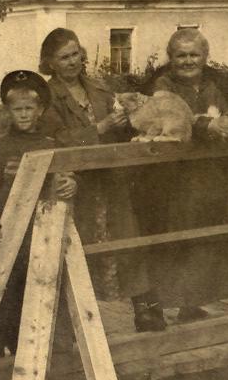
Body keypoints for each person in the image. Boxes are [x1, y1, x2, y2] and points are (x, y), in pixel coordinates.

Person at [133, 28, 228, 329]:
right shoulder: (160, 83)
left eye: (194, 54)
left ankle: (191, 303)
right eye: (180, 55)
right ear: (170, 57)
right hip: (170, 180)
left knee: (205, 239)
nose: (187, 61)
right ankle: (155, 308)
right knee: (171, 240)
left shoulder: (218, 81)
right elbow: (160, 121)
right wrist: (207, 125)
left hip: (210, 176)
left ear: (205, 56)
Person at [38, 28, 149, 318]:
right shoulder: (47, 97)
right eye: (64, 57)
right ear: (50, 63)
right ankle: (80, 318)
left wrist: (128, 118)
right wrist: (99, 128)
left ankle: (144, 311)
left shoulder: (99, 89)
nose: (72, 61)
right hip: (77, 184)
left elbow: (122, 132)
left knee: (126, 239)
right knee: (77, 248)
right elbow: (55, 139)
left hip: (110, 180)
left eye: (75, 54)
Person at [0, 70, 76, 358]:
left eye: (29, 109)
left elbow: (66, 178)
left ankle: (55, 343)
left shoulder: (50, 145)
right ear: (8, 111)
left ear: (40, 110)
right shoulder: (0, 147)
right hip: (10, 231)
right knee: (5, 285)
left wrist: (71, 184)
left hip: (42, 229)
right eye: (17, 109)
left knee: (47, 280)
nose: (23, 115)